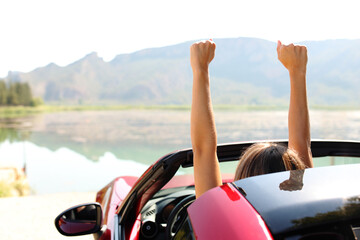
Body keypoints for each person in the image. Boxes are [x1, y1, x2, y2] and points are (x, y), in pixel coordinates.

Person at [190, 39, 313, 198]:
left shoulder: (223, 220)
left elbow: (202, 149)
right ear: (297, 180)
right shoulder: (308, 203)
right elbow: (302, 143)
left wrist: (200, 68)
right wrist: (298, 71)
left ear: (242, 181)